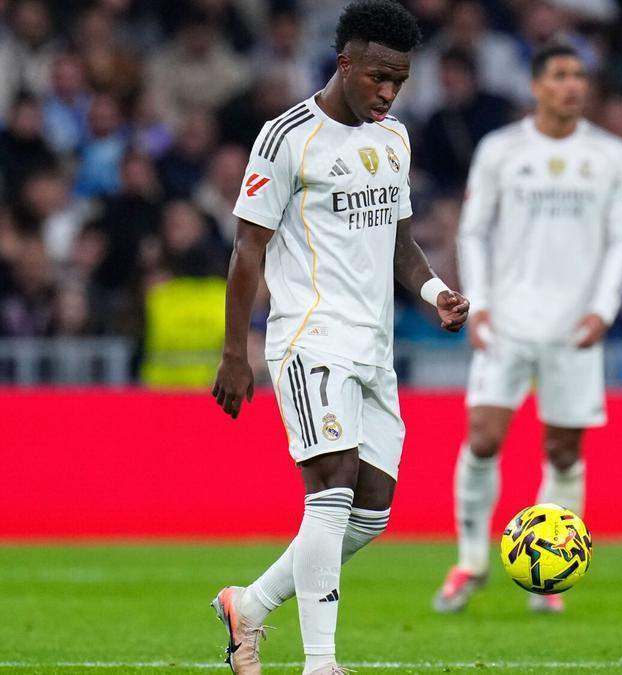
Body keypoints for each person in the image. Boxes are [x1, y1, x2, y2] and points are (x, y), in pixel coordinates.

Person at [208, 3, 470, 673]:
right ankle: (321, 662)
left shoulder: (394, 139)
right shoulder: (286, 137)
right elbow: (247, 248)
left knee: (372, 511)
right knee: (331, 490)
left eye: (400, 81)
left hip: (374, 347)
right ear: (345, 63)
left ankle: (249, 604)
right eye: (379, 77)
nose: (388, 92)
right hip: (310, 336)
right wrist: (234, 352)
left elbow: (400, 243)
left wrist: (437, 293)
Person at [433, 43, 622, 615]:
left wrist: (604, 308)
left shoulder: (612, 155)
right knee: (482, 437)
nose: (573, 85)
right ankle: (470, 562)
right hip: (509, 321)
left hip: (575, 326)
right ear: (536, 85)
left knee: (563, 452)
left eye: (579, 76)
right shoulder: (501, 150)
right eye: (560, 75)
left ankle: (550, 578)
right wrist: (478, 304)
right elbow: (473, 231)